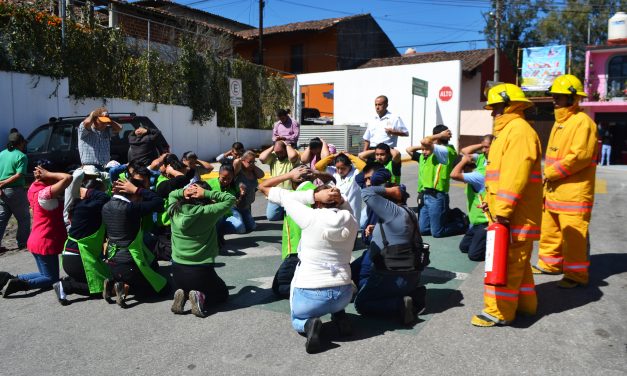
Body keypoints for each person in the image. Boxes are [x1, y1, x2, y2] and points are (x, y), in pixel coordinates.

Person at [471, 83, 543, 327]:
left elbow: (515, 177)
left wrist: (501, 211)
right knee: (518, 265)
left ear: (509, 105)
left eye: (496, 108)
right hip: (510, 214)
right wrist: (492, 206)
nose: (493, 113)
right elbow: (500, 178)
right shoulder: (511, 132)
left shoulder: (518, 131)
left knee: (507, 263)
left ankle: (499, 312)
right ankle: (525, 304)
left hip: (514, 216)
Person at [265, 183, 358, 353]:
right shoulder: (351, 220)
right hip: (343, 293)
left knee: (297, 318)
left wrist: (314, 196)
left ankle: (309, 325)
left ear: (318, 202)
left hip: (311, 294)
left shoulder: (310, 216)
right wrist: (340, 199)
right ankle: (339, 315)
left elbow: (283, 196)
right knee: (336, 294)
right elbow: (347, 208)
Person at [533, 74, 598, 289]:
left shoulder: (583, 123)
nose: (554, 100)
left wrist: (550, 173)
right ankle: (550, 264)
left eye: (559, 97)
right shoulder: (560, 122)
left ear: (572, 99)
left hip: (574, 193)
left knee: (574, 236)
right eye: (554, 96)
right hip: (554, 191)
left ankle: (576, 275)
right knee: (550, 231)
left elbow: (580, 157)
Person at [353, 185, 427, 326]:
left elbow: (366, 192)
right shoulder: (408, 212)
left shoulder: (392, 211)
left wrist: (390, 190)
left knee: (361, 303)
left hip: (391, 274)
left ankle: (399, 304)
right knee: (366, 280)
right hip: (411, 275)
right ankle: (412, 295)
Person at [259, 166, 334, 299]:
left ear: (294, 180)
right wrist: (316, 173)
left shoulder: (292, 195)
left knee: (280, 287)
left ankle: (320, 294)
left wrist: (288, 175)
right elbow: (333, 179)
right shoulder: (324, 192)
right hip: (320, 250)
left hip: (296, 251)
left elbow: (263, 186)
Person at [2, 165, 72, 297]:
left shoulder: (33, 188)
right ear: (47, 177)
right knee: (52, 279)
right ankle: (21, 285)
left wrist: (44, 175)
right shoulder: (44, 194)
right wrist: (49, 173)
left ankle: (8, 278)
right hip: (45, 241)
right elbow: (68, 178)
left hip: (36, 238)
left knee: (43, 274)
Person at [169, 181, 235, 318]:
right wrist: (206, 193)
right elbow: (231, 199)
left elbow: (171, 194)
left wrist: (183, 192)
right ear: (202, 197)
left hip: (176, 270)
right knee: (222, 294)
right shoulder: (208, 212)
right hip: (201, 271)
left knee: (190, 284)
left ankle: (184, 294)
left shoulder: (174, 209)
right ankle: (200, 297)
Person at [102, 177, 167, 307]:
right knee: (163, 288)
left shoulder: (106, 205)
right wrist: (138, 189)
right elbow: (160, 202)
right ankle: (122, 287)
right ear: (133, 193)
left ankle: (114, 283)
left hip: (112, 261)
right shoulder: (130, 208)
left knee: (154, 267)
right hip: (130, 262)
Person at [53, 169, 111, 304]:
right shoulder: (88, 207)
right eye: (101, 191)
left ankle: (70, 281)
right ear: (94, 193)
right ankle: (66, 286)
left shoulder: (80, 204)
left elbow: (106, 193)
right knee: (100, 289)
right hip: (78, 260)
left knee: (108, 278)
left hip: (72, 257)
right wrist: (88, 190)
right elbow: (106, 198)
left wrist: (98, 178)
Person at [406, 125, 467, 238]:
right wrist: (424, 147)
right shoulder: (431, 153)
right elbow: (415, 147)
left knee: (437, 233)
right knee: (423, 229)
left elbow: (426, 141)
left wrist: (437, 137)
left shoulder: (446, 150)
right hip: (426, 195)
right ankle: (443, 217)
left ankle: (461, 222)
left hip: (437, 195)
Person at [451, 135, 494, 261]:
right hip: (475, 222)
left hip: (485, 221)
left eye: (486, 147)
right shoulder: (481, 159)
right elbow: (465, 152)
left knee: (474, 255)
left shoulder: (478, 175)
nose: (483, 150)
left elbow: (454, 174)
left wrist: (463, 161)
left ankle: (495, 243)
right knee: (464, 247)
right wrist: (483, 145)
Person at [0, 132, 30, 253]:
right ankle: (23, 242)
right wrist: (4, 183)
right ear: (21, 143)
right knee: (23, 218)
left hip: (1, 192)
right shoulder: (21, 156)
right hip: (15, 191)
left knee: (1, 219)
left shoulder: (1, 154)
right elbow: (19, 175)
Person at [315, 150, 365, 218]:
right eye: (338, 168)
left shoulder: (355, 173)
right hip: (337, 212)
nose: (340, 171)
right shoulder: (334, 172)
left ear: (349, 166)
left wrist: (350, 156)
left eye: (343, 168)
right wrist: (333, 156)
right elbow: (318, 166)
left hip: (353, 213)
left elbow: (364, 167)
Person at [259, 140, 300, 221]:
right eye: (276, 152)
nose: (278, 154)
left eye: (281, 152)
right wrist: (273, 146)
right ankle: (283, 211)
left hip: (290, 192)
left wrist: (287, 144)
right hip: (275, 193)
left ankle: (286, 210)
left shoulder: (291, 158)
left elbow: (293, 156)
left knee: (292, 217)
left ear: (286, 149)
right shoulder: (274, 157)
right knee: (271, 217)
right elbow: (261, 158)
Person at [205, 165, 244, 236]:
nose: (226, 181)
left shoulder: (235, 186)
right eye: (223, 178)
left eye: (229, 178)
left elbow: (236, 202)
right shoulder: (208, 184)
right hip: (214, 214)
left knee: (240, 229)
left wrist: (241, 195)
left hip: (228, 213)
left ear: (233, 177)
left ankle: (220, 229)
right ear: (219, 174)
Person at [233, 150, 265, 233]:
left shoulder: (253, 171)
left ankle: (242, 219)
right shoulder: (238, 171)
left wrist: (251, 164)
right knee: (240, 229)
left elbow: (262, 175)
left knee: (252, 227)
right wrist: (240, 159)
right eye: (250, 162)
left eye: (254, 161)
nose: (252, 164)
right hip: (235, 206)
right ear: (242, 160)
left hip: (246, 206)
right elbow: (236, 162)